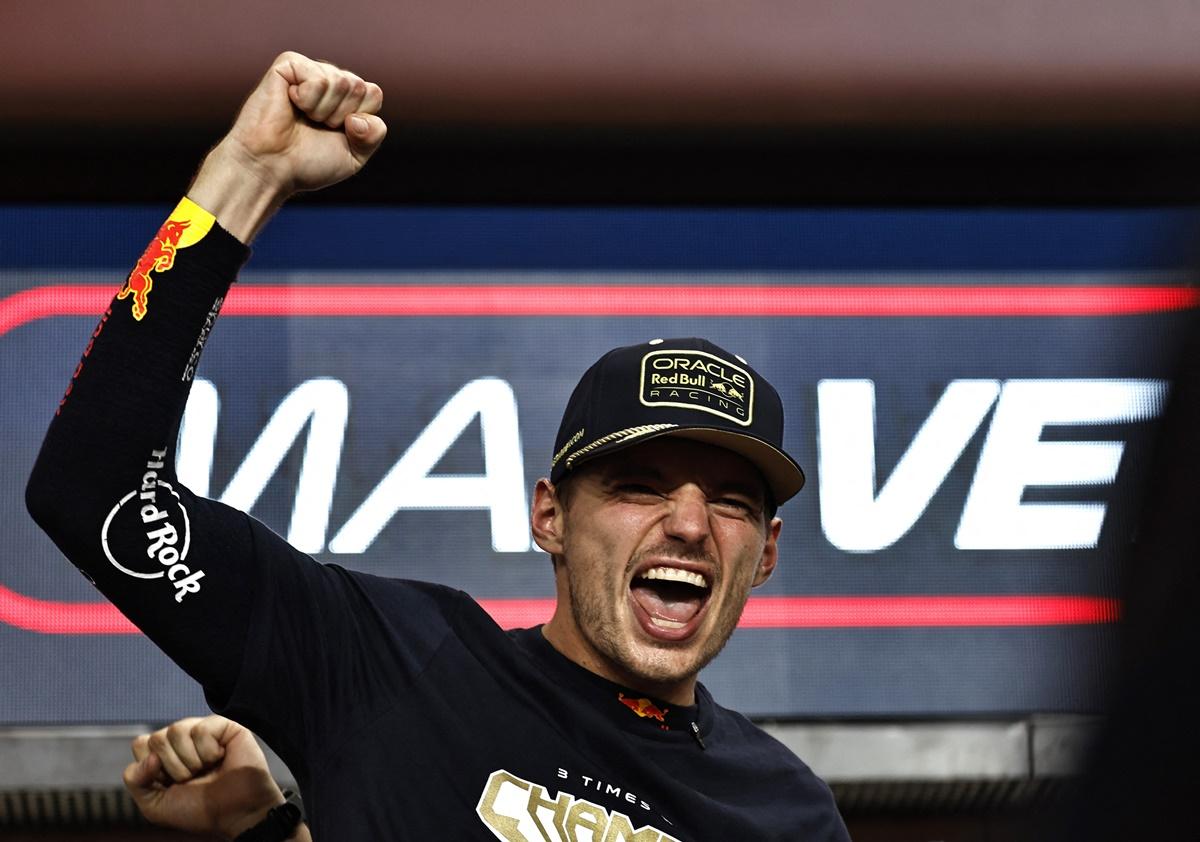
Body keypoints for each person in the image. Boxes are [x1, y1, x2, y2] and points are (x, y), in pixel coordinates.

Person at [26, 52, 849, 841]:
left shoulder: (787, 813)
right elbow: (94, 490)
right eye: (640, 485)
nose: (691, 525)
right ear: (549, 515)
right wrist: (246, 177)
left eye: (733, 501)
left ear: (768, 552)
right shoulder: (391, 665)